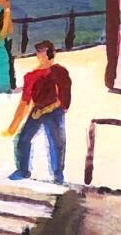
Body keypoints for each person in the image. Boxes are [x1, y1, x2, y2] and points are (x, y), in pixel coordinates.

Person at [4, 41, 71, 183]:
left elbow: (63, 98)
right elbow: (25, 101)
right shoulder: (31, 76)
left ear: (51, 54)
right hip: (38, 109)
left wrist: (47, 109)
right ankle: (23, 170)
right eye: (40, 53)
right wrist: (15, 123)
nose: (42, 56)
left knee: (57, 142)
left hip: (54, 110)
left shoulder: (60, 72)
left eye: (44, 53)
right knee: (23, 139)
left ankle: (58, 174)